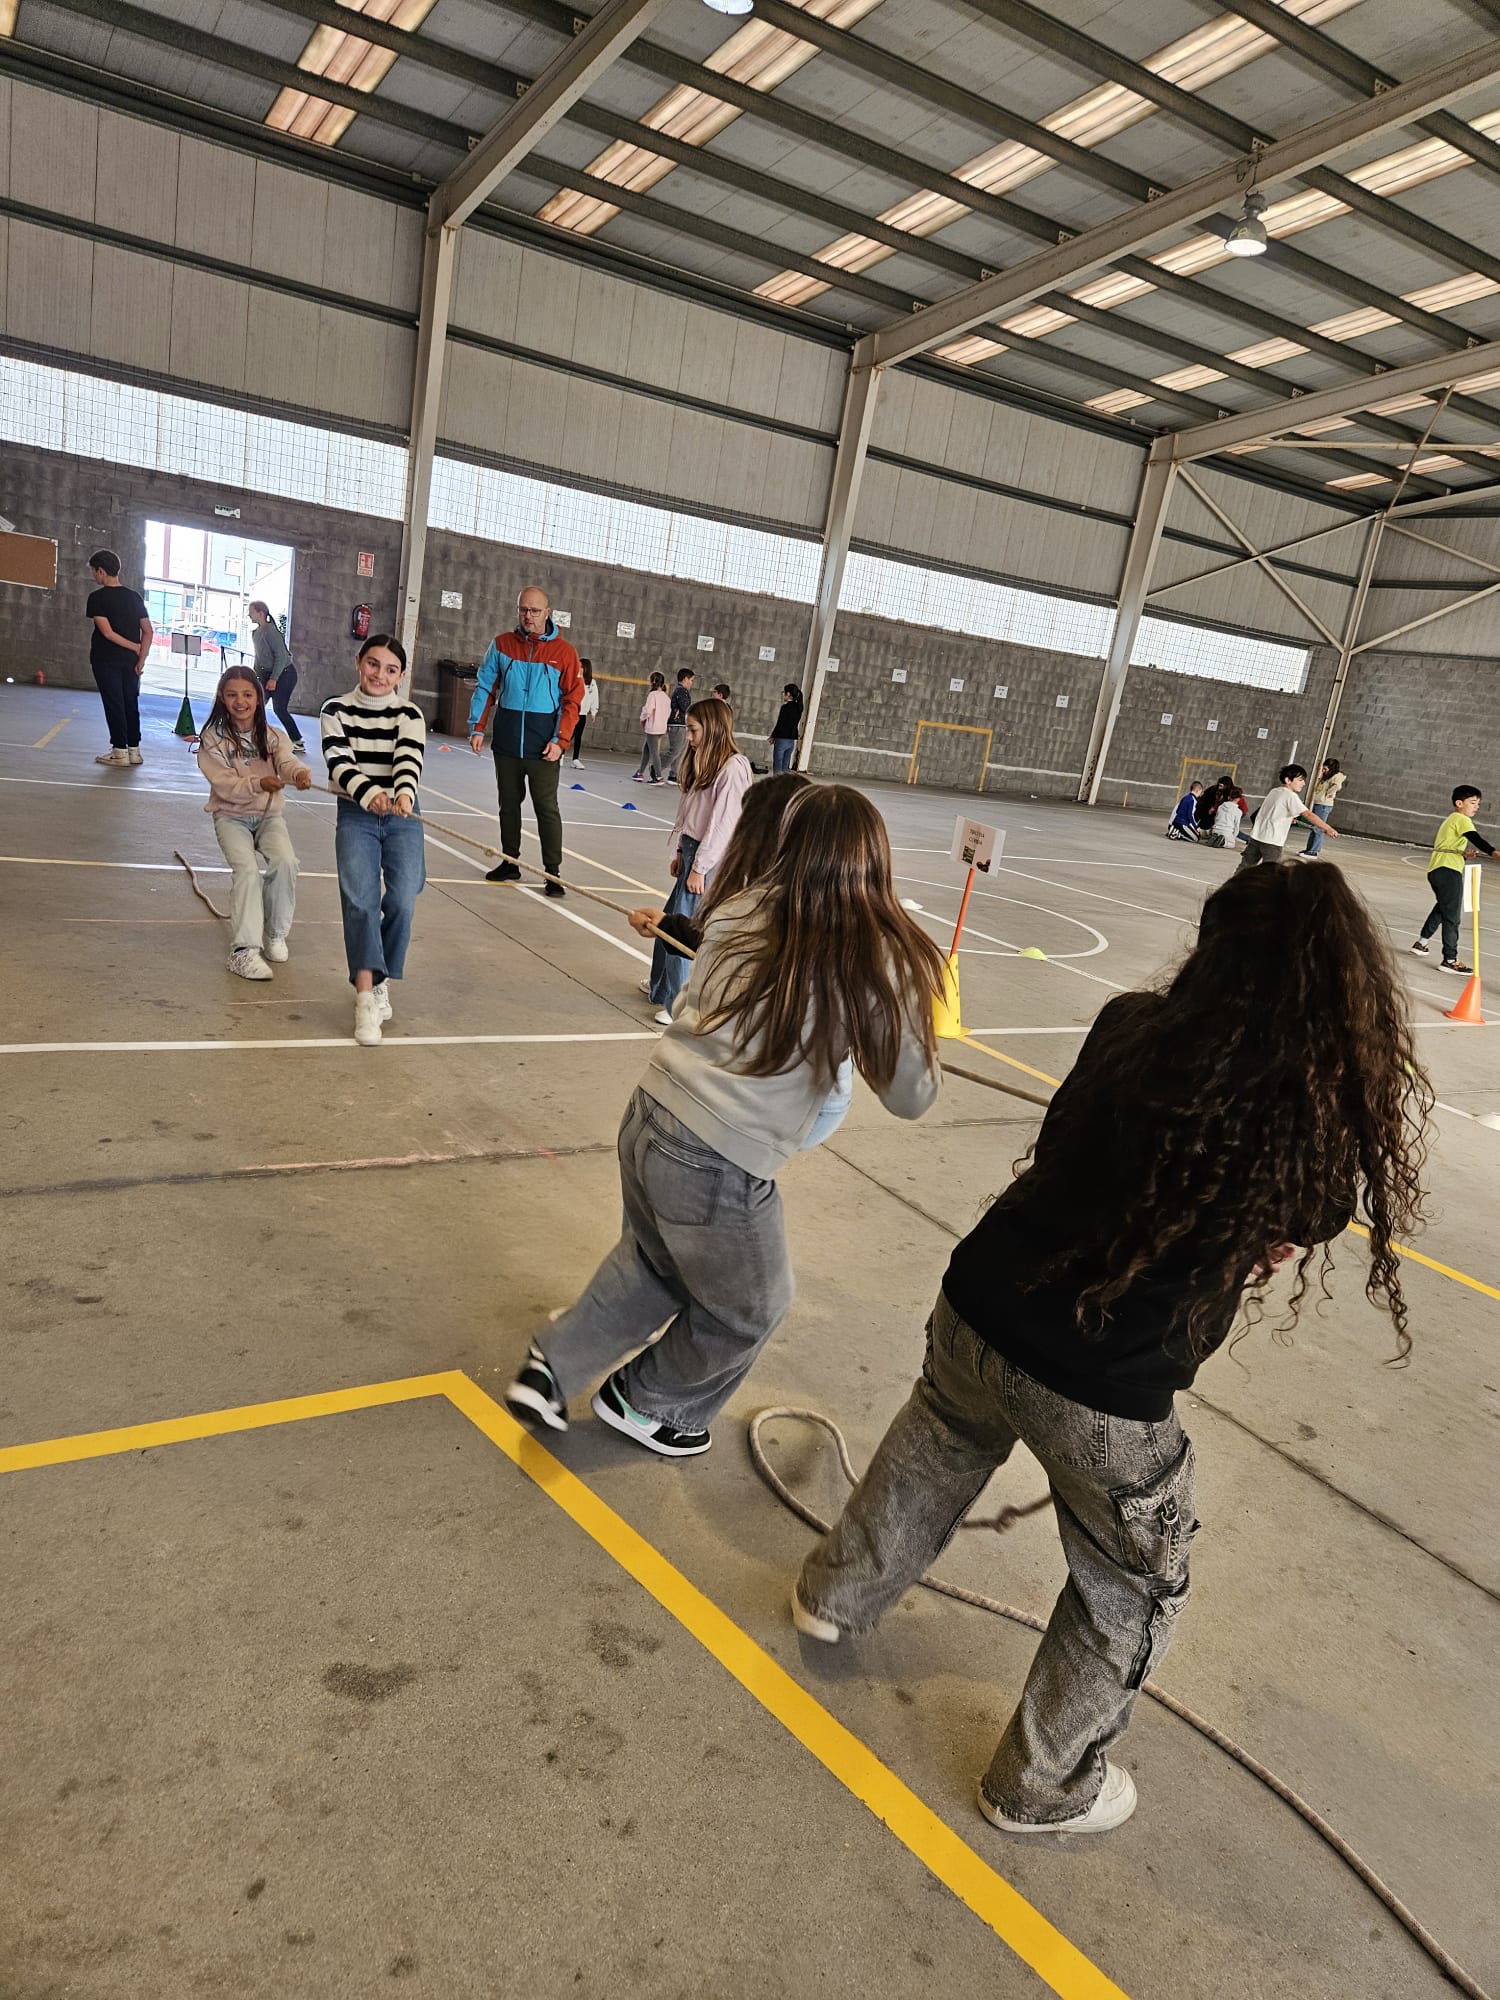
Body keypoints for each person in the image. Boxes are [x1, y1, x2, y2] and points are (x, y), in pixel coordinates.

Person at [790, 863, 1429, 1838]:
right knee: (1135, 1583)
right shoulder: (1306, 1121)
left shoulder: (1128, 1025)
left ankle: (834, 1596)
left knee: (938, 1443)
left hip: (980, 1303)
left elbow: (1072, 1145)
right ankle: (1041, 1787)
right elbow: (1303, 1220)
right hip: (1101, 1385)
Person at [504, 785, 947, 1458]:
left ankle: (553, 1367)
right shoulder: (873, 953)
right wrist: (914, 1028)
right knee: (752, 1307)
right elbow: (911, 1097)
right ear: (874, 861)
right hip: (715, 1158)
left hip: (650, 1112)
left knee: (658, 1263)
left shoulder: (744, 907)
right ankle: (647, 1402)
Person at [323, 635, 426, 1048]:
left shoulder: (410, 714)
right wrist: (369, 794)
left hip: (402, 812)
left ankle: (380, 977)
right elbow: (339, 760)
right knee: (360, 901)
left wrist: (403, 795)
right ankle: (366, 995)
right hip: (356, 811)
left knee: (403, 899)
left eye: (390, 669)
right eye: (373, 664)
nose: (380, 675)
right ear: (358, 662)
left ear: (401, 675)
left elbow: (409, 759)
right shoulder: (335, 710)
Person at [638, 698, 751, 1024]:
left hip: (708, 857)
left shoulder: (733, 769)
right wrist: (679, 851)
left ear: (713, 729)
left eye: (693, 730)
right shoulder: (702, 761)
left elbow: (722, 825)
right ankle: (661, 988)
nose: (688, 737)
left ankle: (678, 1003)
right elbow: (688, 810)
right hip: (691, 850)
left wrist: (700, 867)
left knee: (683, 929)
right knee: (668, 921)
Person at [196, 666, 311, 979]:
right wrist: (258, 783)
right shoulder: (212, 739)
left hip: (268, 816)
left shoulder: (273, 736)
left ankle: (275, 934)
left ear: (258, 699)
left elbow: (286, 761)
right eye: (232, 695)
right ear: (222, 697)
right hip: (230, 816)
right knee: (247, 871)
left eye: (247, 694)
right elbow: (223, 783)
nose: (240, 701)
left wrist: (298, 773)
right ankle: (243, 951)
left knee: (286, 862)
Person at [468, 586, 582, 900]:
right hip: (506, 743)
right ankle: (510, 862)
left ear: (548, 613)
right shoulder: (501, 645)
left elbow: (572, 701)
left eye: (534, 610)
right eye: (523, 610)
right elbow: (486, 686)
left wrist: (560, 740)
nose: (528, 616)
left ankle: (552, 873)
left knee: (546, 808)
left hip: (543, 746)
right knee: (508, 804)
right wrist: (477, 727)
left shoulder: (565, 653)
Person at [1411, 785, 1496, 974]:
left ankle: (1421, 943)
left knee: (1442, 908)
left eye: (1478, 804)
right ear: (1459, 803)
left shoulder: (1451, 820)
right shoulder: (1461, 819)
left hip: (1437, 870)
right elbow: (1475, 837)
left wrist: (1464, 855)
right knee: (1452, 916)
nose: (1476, 807)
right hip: (1449, 872)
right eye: (1472, 802)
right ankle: (1450, 960)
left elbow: (1448, 847)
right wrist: (1493, 852)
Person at [85, 550, 153, 768]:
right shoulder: (134, 597)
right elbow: (148, 631)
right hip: (130, 662)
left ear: (101, 571)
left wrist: (135, 647)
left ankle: (119, 751)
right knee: (130, 702)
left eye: (94, 571)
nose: (94, 576)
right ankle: (134, 751)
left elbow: (107, 633)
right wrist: (141, 658)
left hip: (105, 660)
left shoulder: (97, 598)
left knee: (114, 703)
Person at [1238, 765, 1337, 868]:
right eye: (1300, 780)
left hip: (1256, 837)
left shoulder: (1274, 791)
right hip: (1272, 841)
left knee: (1245, 867)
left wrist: (1288, 818)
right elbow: (1308, 814)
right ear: (1288, 780)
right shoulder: (1290, 796)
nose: (1303, 783)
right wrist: (1327, 828)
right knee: (1271, 871)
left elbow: (1272, 812)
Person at [248, 601, 305, 752]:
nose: (249, 615)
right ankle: (253, 738)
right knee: (257, 706)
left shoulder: (271, 632)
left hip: (285, 674)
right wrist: (254, 677)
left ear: (261, 613)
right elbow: (259, 658)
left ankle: (297, 741)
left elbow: (281, 656)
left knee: (279, 709)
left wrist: (274, 679)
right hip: (267, 674)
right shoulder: (256, 633)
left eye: (251, 612)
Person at [1300, 759, 1346, 858]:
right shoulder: (1326, 776)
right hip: (1318, 803)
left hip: (1324, 805)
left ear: (1331, 768)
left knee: (1319, 828)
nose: (1323, 770)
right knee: (1315, 827)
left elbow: (1337, 786)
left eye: (1325, 769)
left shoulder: (1337, 776)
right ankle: (1310, 849)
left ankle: (1314, 851)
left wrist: (1328, 793)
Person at [635, 672, 671, 783]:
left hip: (653, 728)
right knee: (647, 749)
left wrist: (642, 719)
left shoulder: (653, 695)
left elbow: (648, 710)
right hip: (661, 728)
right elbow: (668, 713)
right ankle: (640, 773)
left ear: (652, 682)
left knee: (654, 753)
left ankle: (659, 777)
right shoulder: (666, 697)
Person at [664, 668, 695, 780]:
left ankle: (674, 774)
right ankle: (656, 768)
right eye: (691, 680)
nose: (691, 683)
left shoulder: (682, 691)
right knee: (675, 750)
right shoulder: (681, 691)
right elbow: (685, 706)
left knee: (679, 751)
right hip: (677, 724)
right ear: (685, 679)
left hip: (681, 724)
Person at [770, 683, 804, 775]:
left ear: (788, 694)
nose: (783, 694)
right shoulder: (799, 708)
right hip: (791, 741)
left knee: (777, 768)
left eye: (784, 692)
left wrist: (773, 736)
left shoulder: (785, 708)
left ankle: (777, 783)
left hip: (781, 740)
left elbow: (780, 724)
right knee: (785, 768)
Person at [572, 660, 598, 769]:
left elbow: (594, 697)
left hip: (582, 713)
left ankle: (575, 759)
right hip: (572, 712)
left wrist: (593, 711)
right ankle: (561, 756)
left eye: (581, 666)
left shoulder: (592, 683)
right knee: (568, 736)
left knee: (578, 737)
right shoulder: (574, 679)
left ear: (586, 668)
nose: (579, 668)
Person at [1209, 785, 1246, 850]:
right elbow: (1236, 827)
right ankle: (1223, 842)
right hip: (1227, 832)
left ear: (1229, 797)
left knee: (1216, 833)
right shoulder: (1238, 812)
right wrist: (1233, 837)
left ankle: (1214, 837)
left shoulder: (1220, 807)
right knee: (1232, 844)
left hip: (1215, 829)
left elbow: (1216, 819)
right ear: (1238, 799)